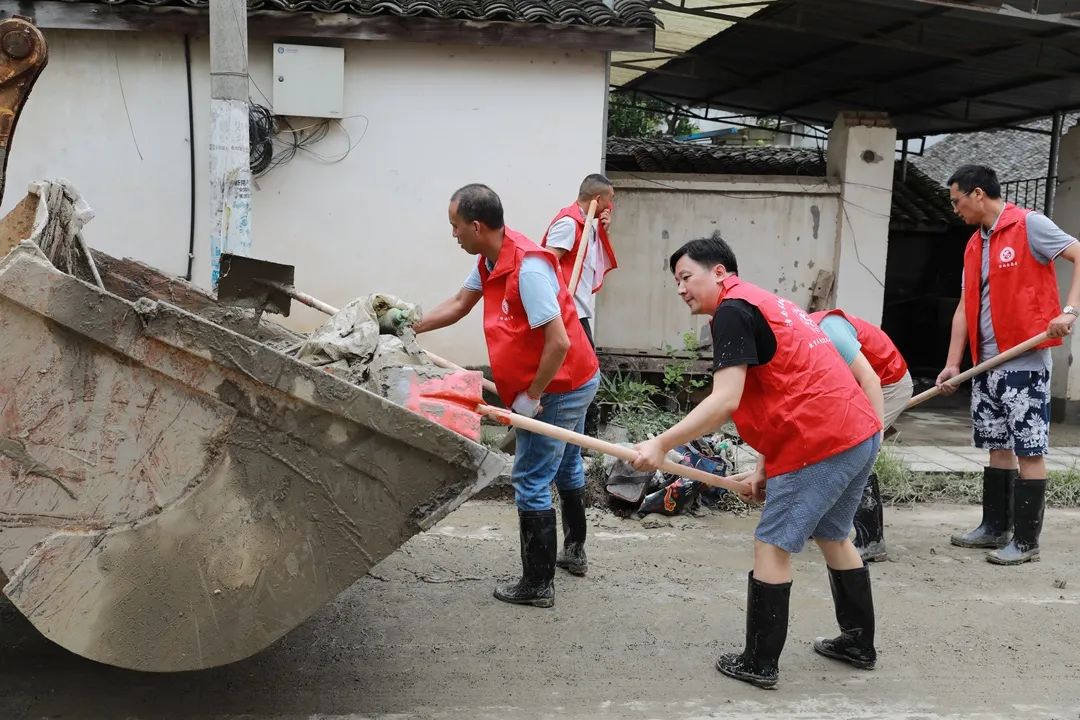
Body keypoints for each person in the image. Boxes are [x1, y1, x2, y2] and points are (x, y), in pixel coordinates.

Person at [631, 233, 883, 689]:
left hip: (820, 441)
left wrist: (662, 445)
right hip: (855, 432)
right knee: (832, 534)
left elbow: (725, 400)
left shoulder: (732, 311)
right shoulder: (765, 303)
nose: (681, 288)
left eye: (687, 276)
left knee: (771, 545)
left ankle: (760, 662)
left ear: (720, 272)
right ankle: (858, 643)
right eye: (676, 281)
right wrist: (768, 467)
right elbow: (784, 387)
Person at [414, 184, 600, 607]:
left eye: (455, 226)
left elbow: (558, 344)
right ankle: (574, 551)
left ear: (476, 226)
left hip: (561, 385)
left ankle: (537, 585)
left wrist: (532, 396)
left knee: (531, 477)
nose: (454, 234)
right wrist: (413, 325)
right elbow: (461, 303)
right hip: (571, 379)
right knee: (567, 461)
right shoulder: (490, 258)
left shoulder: (528, 270)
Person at [936, 164, 1080, 566]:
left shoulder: (1029, 225)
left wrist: (1069, 311)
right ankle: (994, 527)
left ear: (978, 193)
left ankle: (1027, 541)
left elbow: (1078, 253)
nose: (956, 209)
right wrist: (952, 363)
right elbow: (966, 307)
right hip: (986, 365)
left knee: (1028, 450)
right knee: (997, 447)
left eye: (956, 200)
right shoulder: (973, 244)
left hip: (1025, 361)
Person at [811, 309, 913, 562]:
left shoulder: (828, 332)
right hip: (855, 383)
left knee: (854, 452)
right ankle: (825, 525)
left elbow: (871, 379)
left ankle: (871, 540)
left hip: (887, 383)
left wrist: (871, 435)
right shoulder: (798, 339)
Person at [541, 174, 618, 437]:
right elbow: (546, 263)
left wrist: (603, 229)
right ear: (599, 199)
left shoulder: (588, 223)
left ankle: (578, 436)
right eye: (611, 199)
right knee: (587, 374)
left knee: (584, 373)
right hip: (569, 311)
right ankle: (582, 435)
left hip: (579, 309)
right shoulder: (567, 223)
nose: (612, 204)